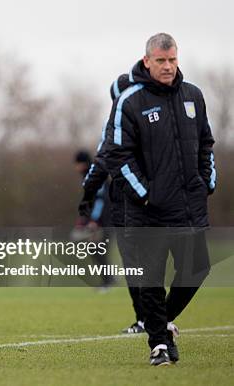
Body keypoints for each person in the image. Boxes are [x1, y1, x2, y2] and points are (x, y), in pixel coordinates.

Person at [105, 33, 215, 366]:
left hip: (188, 207)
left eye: (173, 60)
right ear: (147, 60)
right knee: (150, 280)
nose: (168, 67)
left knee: (197, 269)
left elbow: (206, 144)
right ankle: (159, 346)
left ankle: (160, 323)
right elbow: (116, 156)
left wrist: (206, 182)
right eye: (162, 61)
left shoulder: (193, 95)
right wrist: (146, 195)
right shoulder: (130, 100)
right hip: (147, 212)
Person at [77, 75, 146, 333]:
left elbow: (103, 161)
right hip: (140, 203)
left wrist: (88, 193)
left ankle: (151, 319)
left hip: (136, 204)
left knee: (140, 262)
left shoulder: (119, 127)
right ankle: (152, 319)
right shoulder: (122, 125)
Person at [73, 150, 113, 289]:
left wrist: (94, 220)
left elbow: (101, 201)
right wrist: (83, 219)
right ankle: (109, 279)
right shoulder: (88, 175)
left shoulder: (95, 175)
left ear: (82, 163)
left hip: (105, 220)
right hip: (98, 220)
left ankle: (108, 281)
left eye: (77, 164)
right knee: (95, 249)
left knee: (99, 249)